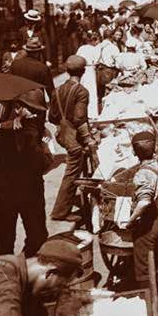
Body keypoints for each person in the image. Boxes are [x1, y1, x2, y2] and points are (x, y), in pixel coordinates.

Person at [0, 89, 50, 257]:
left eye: (38, 112)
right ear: (17, 107)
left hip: (32, 190)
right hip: (7, 192)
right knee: (5, 239)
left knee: (37, 236)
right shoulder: (0, 131)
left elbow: (45, 166)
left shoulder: (41, 133)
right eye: (32, 110)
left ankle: (25, 264)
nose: (35, 116)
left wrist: (39, 143)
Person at [110, 131, 158, 288]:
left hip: (148, 228)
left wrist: (130, 221)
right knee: (157, 261)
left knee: (144, 270)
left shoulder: (142, 174)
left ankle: (149, 304)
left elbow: (144, 202)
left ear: (135, 152)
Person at [48, 55, 96, 223]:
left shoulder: (57, 90)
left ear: (67, 71)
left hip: (63, 135)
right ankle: (60, 212)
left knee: (74, 169)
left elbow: (52, 117)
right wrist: (89, 139)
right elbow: (79, 119)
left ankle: (80, 200)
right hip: (75, 140)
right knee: (71, 173)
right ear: (83, 71)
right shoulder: (82, 91)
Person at [75, 31, 101, 119]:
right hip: (90, 70)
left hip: (82, 70)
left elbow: (77, 58)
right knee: (92, 91)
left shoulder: (81, 48)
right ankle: (92, 113)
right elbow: (97, 61)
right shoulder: (95, 49)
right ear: (93, 40)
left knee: (82, 91)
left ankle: (82, 112)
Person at [95, 28, 121, 107]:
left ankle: (99, 109)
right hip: (109, 72)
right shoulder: (113, 48)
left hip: (99, 71)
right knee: (109, 93)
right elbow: (118, 64)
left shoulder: (98, 46)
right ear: (112, 36)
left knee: (99, 93)